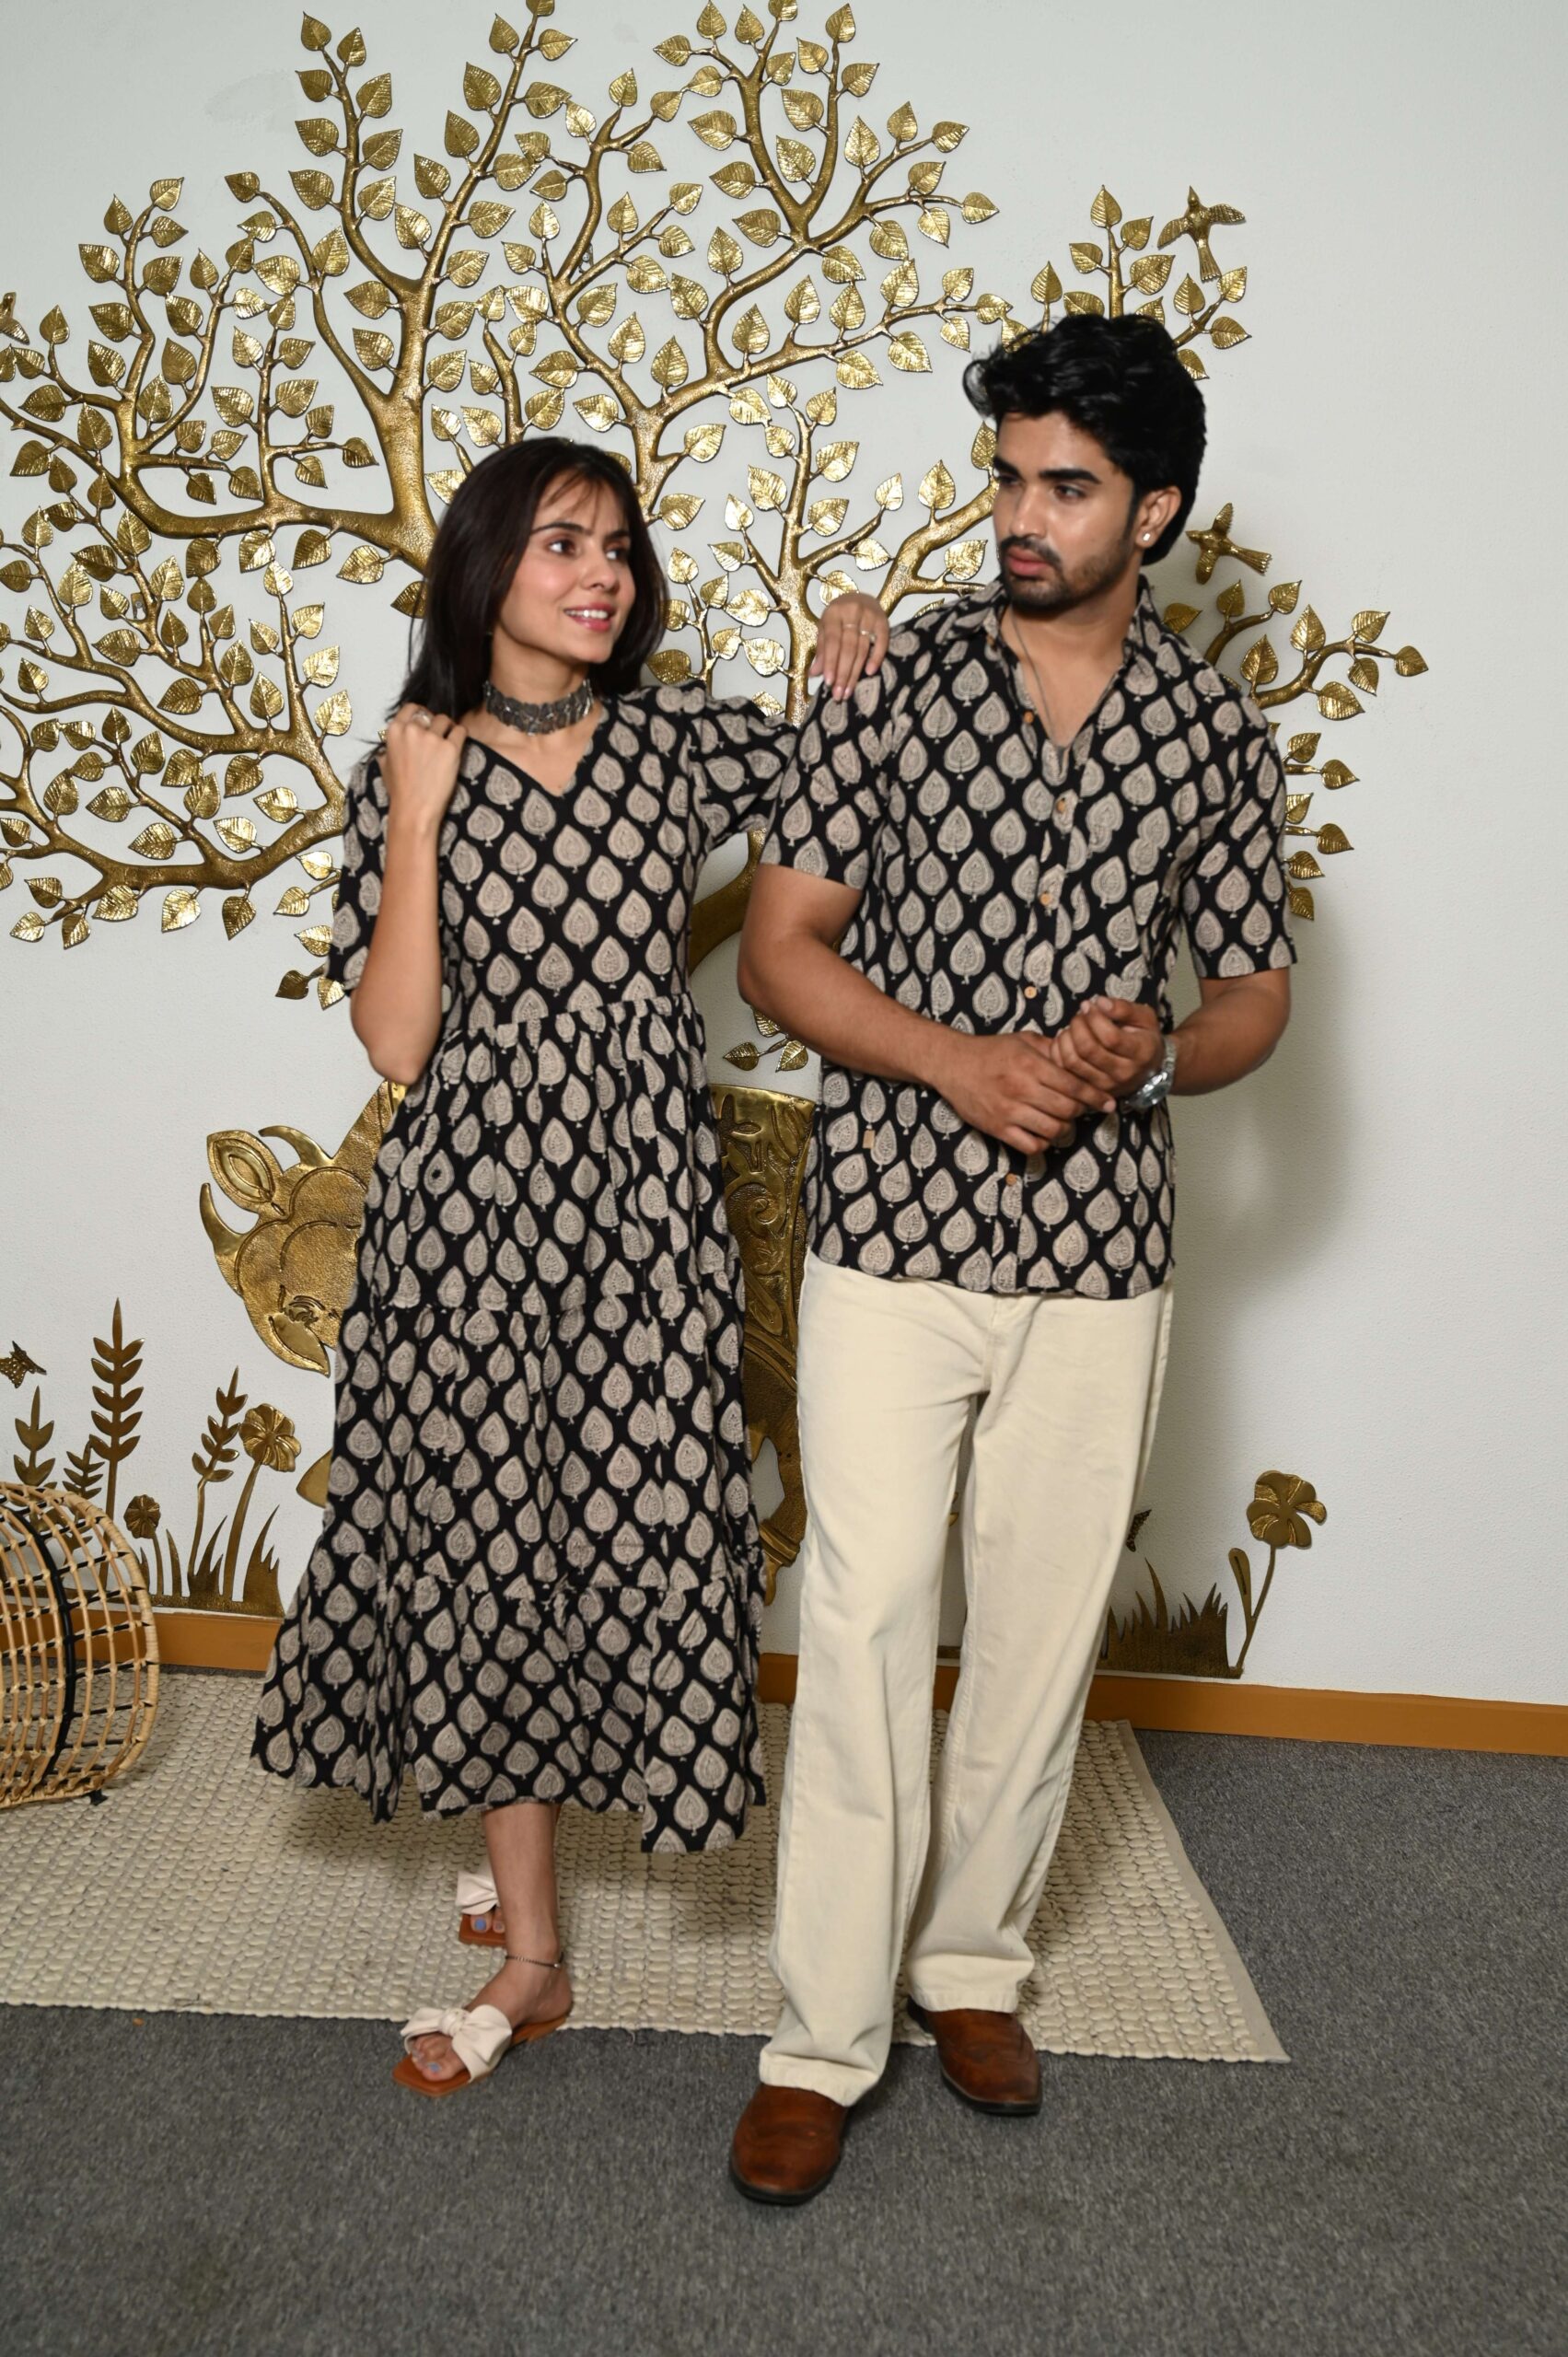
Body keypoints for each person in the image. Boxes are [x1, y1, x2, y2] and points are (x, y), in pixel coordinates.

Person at [729, 314, 1295, 2201]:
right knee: (867, 1620)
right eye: (1009, 479)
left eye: (1067, 486)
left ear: (1158, 509)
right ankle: (821, 2037)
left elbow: (1255, 996)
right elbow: (782, 951)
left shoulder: (1214, 734)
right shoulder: (887, 680)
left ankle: (970, 1966)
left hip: (1103, 1255)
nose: (1021, 517)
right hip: (893, 1230)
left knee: (1043, 1635)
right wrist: (962, 1061)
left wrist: (1160, 1053)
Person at [251, 435, 889, 2096]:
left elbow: (847, 770)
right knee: (488, 1538)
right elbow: (399, 1042)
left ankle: (523, 1868)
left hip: (643, 1209)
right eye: (562, 544)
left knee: (627, 1513)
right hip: (469, 1219)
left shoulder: (673, 740)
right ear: (487, 568)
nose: (601, 574)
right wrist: (415, 816)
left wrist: (851, 638)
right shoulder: (411, 761)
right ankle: (535, 1955)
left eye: (617, 547)